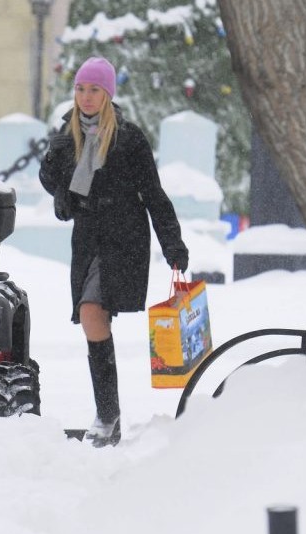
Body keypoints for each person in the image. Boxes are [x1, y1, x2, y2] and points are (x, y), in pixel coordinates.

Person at [39, 56, 188, 447]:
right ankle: (109, 413)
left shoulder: (128, 138)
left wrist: (173, 243)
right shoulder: (67, 135)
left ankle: (106, 415)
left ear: (107, 94)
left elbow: (153, 194)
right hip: (88, 238)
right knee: (93, 316)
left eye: (94, 90)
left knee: (92, 310)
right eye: (80, 89)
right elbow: (51, 178)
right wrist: (59, 188)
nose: (86, 97)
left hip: (123, 237)